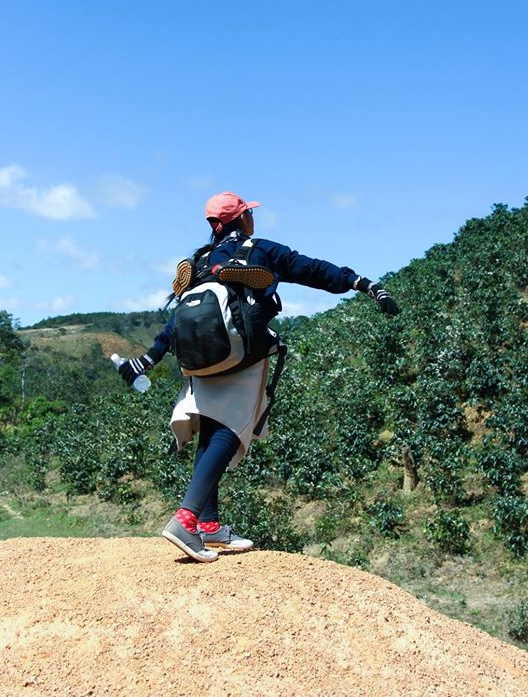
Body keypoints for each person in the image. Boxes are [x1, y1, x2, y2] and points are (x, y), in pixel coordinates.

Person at [117, 191, 399, 562]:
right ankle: (185, 520)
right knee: (231, 429)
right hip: (242, 353)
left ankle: (208, 524)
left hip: (198, 359)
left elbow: (178, 316)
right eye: (248, 213)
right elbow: (313, 270)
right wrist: (363, 284)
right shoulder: (261, 249)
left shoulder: (201, 259)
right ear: (242, 218)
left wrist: (148, 359)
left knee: (211, 427)